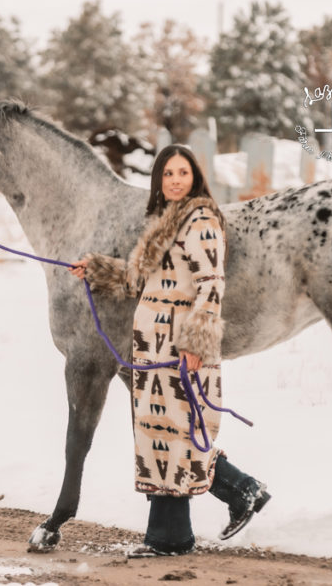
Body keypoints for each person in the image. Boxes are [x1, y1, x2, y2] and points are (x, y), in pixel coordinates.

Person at [69, 145, 270, 557]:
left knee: (177, 430)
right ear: (159, 180)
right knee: (163, 433)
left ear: (195, 176)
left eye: (183, 172)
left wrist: (197, 343)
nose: (175, 180)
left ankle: (177, 533)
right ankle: (235, 495)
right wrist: (95, 269)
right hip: (153, 343)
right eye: (168, 174)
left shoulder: (201, 220)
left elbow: (212, 285)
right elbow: (137, 280)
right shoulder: (166, 223)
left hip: (179, 343)